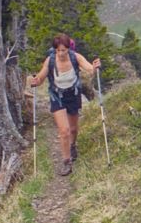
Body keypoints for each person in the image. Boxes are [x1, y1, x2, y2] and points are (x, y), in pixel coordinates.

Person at [30, 34, 101, 175]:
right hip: (57, 97)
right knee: (64, 131)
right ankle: (66, 162)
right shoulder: (50, 61)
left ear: (68, 49)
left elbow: (89, 69)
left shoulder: (76, 57)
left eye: (63, 50)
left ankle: (73, 145)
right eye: (58, 50)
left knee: (73, 129)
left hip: (73, 95)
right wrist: (36, 81)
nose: (61, 53)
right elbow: (41, 77)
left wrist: (94, 67)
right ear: (55, 50)